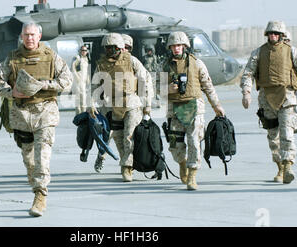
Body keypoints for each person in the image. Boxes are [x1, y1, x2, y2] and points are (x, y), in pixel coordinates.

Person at [0, 22, 72, 217]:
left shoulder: (51, 56)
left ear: (39, 36)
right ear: (21, 36)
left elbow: (67, 81)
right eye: (26, 35)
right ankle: (36, 186)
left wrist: (44, 85)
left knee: (42, 157)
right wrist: (11, 93)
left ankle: (40, 195)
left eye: (33, 35)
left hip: (45, 112)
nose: (29, 38)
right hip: (21, 115)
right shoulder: (12, 58)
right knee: (29, 159)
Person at [240, 20, 297, 184]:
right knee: (273, 138)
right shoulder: (258, 53)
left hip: (287, 98)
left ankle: (288, 167)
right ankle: (279, 167)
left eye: (276, 34)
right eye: (270, 33)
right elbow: (248, 74)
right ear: (267, 35)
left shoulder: (292, 52)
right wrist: (246, 93)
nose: (273, 36)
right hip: (266, 99)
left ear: (282, 35)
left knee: (287, 135)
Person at [163, 31, 225, 190]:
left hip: (194, 107)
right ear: (170, 47)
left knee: (194, 142)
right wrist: (166, 88)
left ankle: (192, 175)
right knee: (175, 145)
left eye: (179, 45)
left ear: (184, 46)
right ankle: (182, 163)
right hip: (174, 109)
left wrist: (216, 105)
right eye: (173, 46)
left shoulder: (197, 63)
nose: (176, 48)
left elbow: (208, 86)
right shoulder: (164, 65)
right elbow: (157, 87)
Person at [87, 33, 153, 182]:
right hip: (112, 106)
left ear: (120, 48)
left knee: (129, 137)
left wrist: (147, 106)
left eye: (113, 48)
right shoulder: (101, 65)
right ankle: (126, 163)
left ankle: (126, 167)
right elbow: (94, 86)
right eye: (107, 48)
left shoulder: (132, 61)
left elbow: (145, 81)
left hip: (131, 104)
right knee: (117, 138)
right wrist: (90, 103)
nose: (110, 51)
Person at [71, 45, 90, 114]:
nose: (84, 52)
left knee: (83, 98)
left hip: (83, 81)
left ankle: (83, 113)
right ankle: (79, 114)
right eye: (82, 50)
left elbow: (86, 70)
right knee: (79, 98)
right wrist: (77, 78)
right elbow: (73, 68)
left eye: (85, 51)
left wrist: (88, 79)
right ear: (80, 51)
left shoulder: (86, 59)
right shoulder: (77, 58)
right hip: (78, 82)